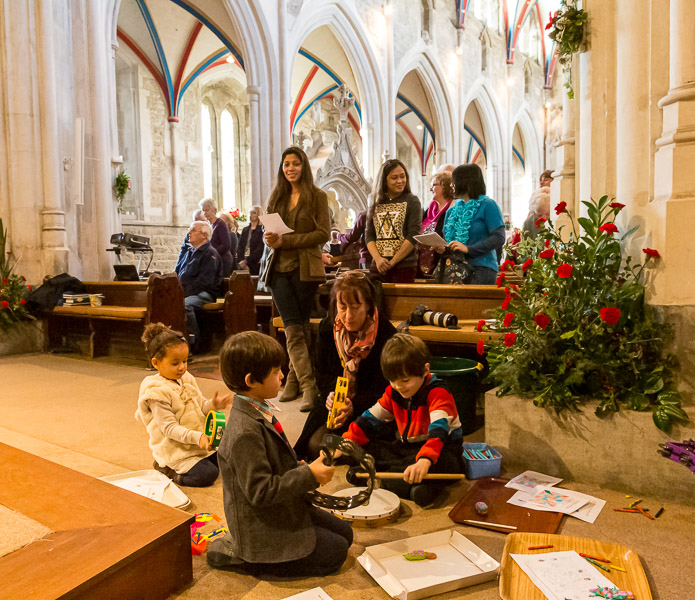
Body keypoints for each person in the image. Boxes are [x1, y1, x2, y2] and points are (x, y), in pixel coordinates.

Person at [207, 331, 353, 577]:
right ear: (251, 380)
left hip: (282, 506)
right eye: (276, 371)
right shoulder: (244, 433)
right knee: (336, 551)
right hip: (262, 524)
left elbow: (273, 460)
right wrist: (308, 475)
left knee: (345, 534)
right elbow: (260, 492)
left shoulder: (257, 406)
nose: (282, 375)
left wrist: (300, 467)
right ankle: (248, 558)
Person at [343, 333, 464, 507]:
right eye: (393, 380)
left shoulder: (438, 393)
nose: (399, 386)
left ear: (425, 370)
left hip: (441, 451)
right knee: (365, 447)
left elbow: (439, 431)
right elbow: (369, 419)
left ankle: (389, 482)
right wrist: (346, 443)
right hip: (407, 449)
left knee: (444, 464)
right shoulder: (393, 392)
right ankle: (406, 482)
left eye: (405, 380)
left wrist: (424, 461)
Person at [293, 270, 397, 460]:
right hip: (337, 405)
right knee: (315, 446)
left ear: (368, 305)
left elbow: (384, 388)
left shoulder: (385, 334)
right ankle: (348, 449)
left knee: (372, 447)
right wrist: (331, 396)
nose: (348, 315)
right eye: (342, 307)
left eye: (356, 307)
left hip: (372, 408)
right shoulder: (328, 328)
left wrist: (353, 405)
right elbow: (321, 373)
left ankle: (354, 449)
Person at [263, 146, 330, 412]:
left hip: (305, 269)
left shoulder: (317, 196)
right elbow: (271, 236)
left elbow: (323, 233)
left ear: (304, 166)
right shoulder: (277, 196)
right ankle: (309, 385)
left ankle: (293, 381)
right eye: (286, 164)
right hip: (279, 269)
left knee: (300, 328)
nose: (290, 168)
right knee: (292, 328)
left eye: (295, 163)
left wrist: (286, 241)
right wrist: (270, 239)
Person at [135, 323, 233, 487]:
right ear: (156, 363)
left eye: (185, 361)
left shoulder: (186, 378)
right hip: (175, 450)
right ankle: (166, 470)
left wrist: (214, 405)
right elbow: (169, 428)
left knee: (227, 458)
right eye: (175, 363)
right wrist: (197, 437)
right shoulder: (156, 393)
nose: (182, 367)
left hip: (195, 444)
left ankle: (195, 461)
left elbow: (200, 406)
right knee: (207, 474)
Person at [433, 163, 505, 285]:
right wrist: (442, 248)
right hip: (454, 270)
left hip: (481, 269)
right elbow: (449, 242)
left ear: (466, 182)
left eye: (454, 181)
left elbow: (499, 237)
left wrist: (469, 249)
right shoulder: (451, 211)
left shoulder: (487, 205)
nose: (451, 185)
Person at [364, 159, 422, 283]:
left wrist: (393, 261)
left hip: (404, 265)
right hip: (378, 265)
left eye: (403, 176)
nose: (400, 181)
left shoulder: (412, 201)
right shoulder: (375, 202)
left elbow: (413, 234)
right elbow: (369, 235)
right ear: (384, 180)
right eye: (394, 178)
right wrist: (378, 259)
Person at [174, 220, 223, 351]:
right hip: (189, 291)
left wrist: (183, 293)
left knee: (185, 305)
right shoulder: (189, 252)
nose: (189, 233)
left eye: (193, 230)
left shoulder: (210, 253)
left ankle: (194, 340)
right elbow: (179, 273)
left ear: (204, 235)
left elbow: (205, 281)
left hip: (205, 293)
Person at [418, 171, 453, 277]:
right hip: (423, 259)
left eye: (433, 185)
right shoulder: (429, 209)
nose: (430, 189)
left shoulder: (453, 209)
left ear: (445, 186)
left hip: (443, 261)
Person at [199, 198, 234, 276]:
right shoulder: (206, 225)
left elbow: (226, 245)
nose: (204, 213)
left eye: (207, 210)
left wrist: (211, 253)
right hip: (211, 260)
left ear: (214, 210)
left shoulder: (221, 224)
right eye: (203, 210)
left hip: (222, 260)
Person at [237, 205, 264, 275]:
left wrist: (247, 262)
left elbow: (260, 248)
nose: (251, 214)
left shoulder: (262, 230)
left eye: (254, 213)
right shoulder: (245, 230)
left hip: (255, 262)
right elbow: (240, 246)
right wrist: (241, 261)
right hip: (243, 262)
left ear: (259, 215)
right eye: (250, 212)